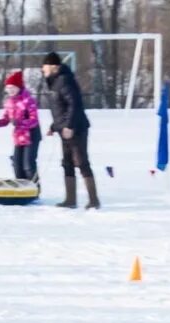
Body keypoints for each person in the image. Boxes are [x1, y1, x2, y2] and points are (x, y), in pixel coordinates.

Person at [41, 52, 100, 210]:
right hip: (64, 129)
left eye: (45, 66)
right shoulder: (54, 82)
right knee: (67, 163)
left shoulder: (65, 80)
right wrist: (54, 127)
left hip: (77, 128)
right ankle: (70, 199)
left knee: (81, 162)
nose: (42, 69)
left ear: (54, 67)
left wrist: (69, 126)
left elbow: (74, 105)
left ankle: (94, 200)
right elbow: (60, 109)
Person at [0, 70, 41, 182]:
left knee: (28, 164)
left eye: (13, 87)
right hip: (19, 137)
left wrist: (20, 122)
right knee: (17, 164)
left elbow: (34, 120)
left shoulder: (28, 100)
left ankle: (35, 187)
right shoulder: (9, 102)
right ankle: (21, 188)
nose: (10, 90)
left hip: (31, 135)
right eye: (8, 88)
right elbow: (6, 120)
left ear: (19, 87)